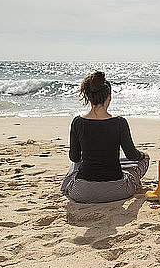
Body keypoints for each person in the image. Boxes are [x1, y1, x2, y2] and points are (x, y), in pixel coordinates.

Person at [60, 71, 149, 203]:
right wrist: (143, 155)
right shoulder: (120, 123)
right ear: (109, 97)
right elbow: (132, 155)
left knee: (76, 164)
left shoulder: (77, 122)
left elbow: (74, 157)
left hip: (82, 192)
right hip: (117, 191)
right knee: (143, 160)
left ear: (89, 97)